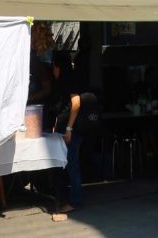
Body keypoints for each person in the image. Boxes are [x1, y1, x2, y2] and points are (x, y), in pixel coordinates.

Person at [52, 51, 98, 212]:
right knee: (70, 164)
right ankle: (70, 198)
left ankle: (75, 201)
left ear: (57, 66)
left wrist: (69, 129)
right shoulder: (71, 77)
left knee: (72, 164)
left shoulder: (69, 79)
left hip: (74, 129)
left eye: (53, 67)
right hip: (70, 128)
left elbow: (75, 103)